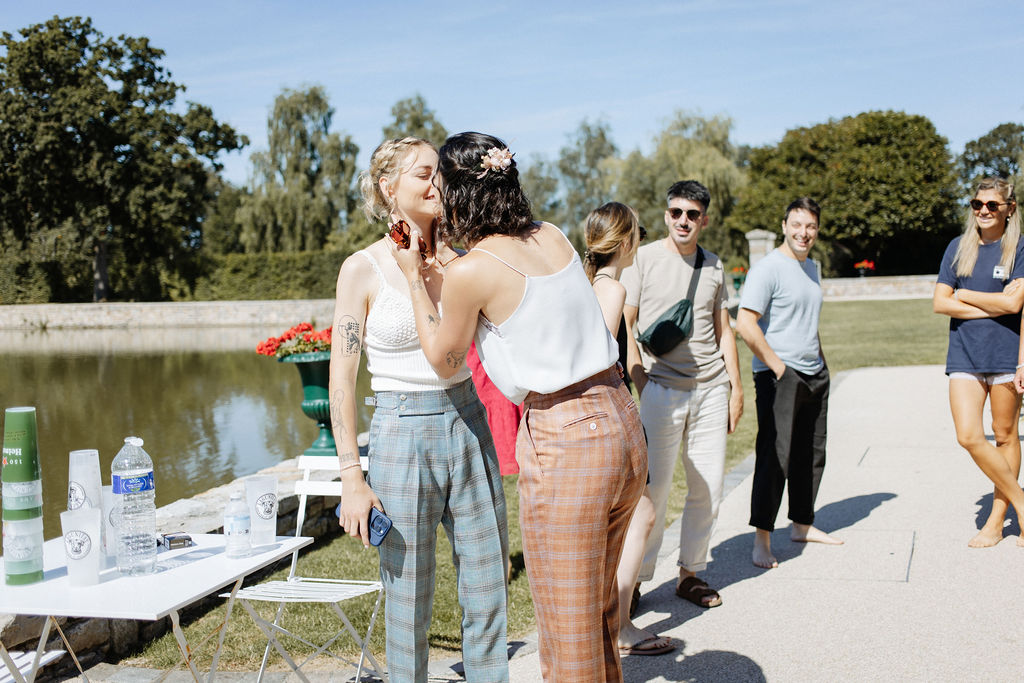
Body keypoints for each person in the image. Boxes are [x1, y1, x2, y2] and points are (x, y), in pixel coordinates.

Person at [391, 132, 646, 683]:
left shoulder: (472, 271)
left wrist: (416, 279)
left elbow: (443, 357)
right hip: (621, 417)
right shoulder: (552, 236)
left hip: (567, 436)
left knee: (568, 636)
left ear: (459, 192)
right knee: (599, 615)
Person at [329, 137, 510, 683]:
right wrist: (351, 478)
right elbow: (342, 379)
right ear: (390, 188)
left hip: (469, 421)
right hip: (400, 432)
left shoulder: (467, 260)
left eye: (440, 175)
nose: (437, 185)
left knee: (487, 585)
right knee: (407, 595)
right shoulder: (361, 269)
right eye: (423, 174)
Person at [621, 180, 744, 605]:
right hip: (661, 390)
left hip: (712, 388)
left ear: (704, 220)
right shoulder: (645, 259)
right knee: (652, 492)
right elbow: (626, 325)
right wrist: (641, 381)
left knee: (706, 487)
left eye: (692, 214)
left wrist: (736, 389)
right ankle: (635, 579)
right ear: (667, 215)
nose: (683, 221)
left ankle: (690, 573)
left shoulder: (714, 265)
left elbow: (725, 330)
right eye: (676, 213)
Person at [584, 202, 674, 657]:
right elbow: (599, 361)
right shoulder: (611, 291)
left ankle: (614, 621)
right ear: (625, 242)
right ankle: (619, 625)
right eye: (638, 231)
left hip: (608, 413)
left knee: (631, 517)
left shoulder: (591, 284)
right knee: (640, 514)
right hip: (613, 414)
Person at [735, 197, 842, 569]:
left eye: (811, 226)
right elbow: (745, 324)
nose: (804, 232)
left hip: (815, 372)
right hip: (780, 375)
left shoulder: (812, 267)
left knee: (810, 454)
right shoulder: (768, 269)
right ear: (784, 225)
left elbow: (808, 322)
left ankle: (802, 524)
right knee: (774, 456)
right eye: (797, 224)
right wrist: (781, 369)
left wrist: (822, 364)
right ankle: (761, 540)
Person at [936, 178, 1024, 547]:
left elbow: (1015, 306)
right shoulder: (958, 248)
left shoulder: (1018, 247)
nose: (983, 211)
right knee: (969, 436)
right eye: (977, 204)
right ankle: (1023, 502)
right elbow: (941, 303)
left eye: (992, 205)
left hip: (1007, 355)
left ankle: (996, 520)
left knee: (1005, 436)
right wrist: (994, 304)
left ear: (1009, 208)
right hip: (965, 356)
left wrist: (967, 294)